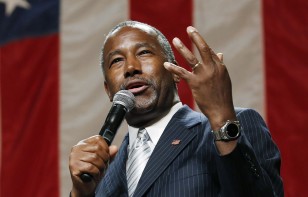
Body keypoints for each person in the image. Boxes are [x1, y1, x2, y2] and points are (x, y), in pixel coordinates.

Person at [69, 21, 283, 197]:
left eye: (143, 52)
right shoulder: (101, 175)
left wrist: (221, 120)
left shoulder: (233, 126)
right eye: (117, 60)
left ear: (174, 73)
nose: (131, 67)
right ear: (108, 90)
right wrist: (80, 193)